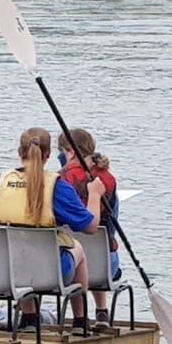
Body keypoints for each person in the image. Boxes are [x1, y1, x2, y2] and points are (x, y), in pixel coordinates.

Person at [0, 127, 105, 336]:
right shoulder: (57, 187)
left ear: (20, 151)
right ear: (47, 155)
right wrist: (94, 195)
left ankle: (30, 317)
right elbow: (90, 227)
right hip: (51, 272)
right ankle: (80, 321)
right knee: (78, 248)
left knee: (20, 255)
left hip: (10, 272)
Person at [58, 128, 120, 332]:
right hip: (105, 265)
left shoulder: (58, 180)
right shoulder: (108, 179)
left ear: (71, 152)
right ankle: (101, 310)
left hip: (62, 267)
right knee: (108, 222)